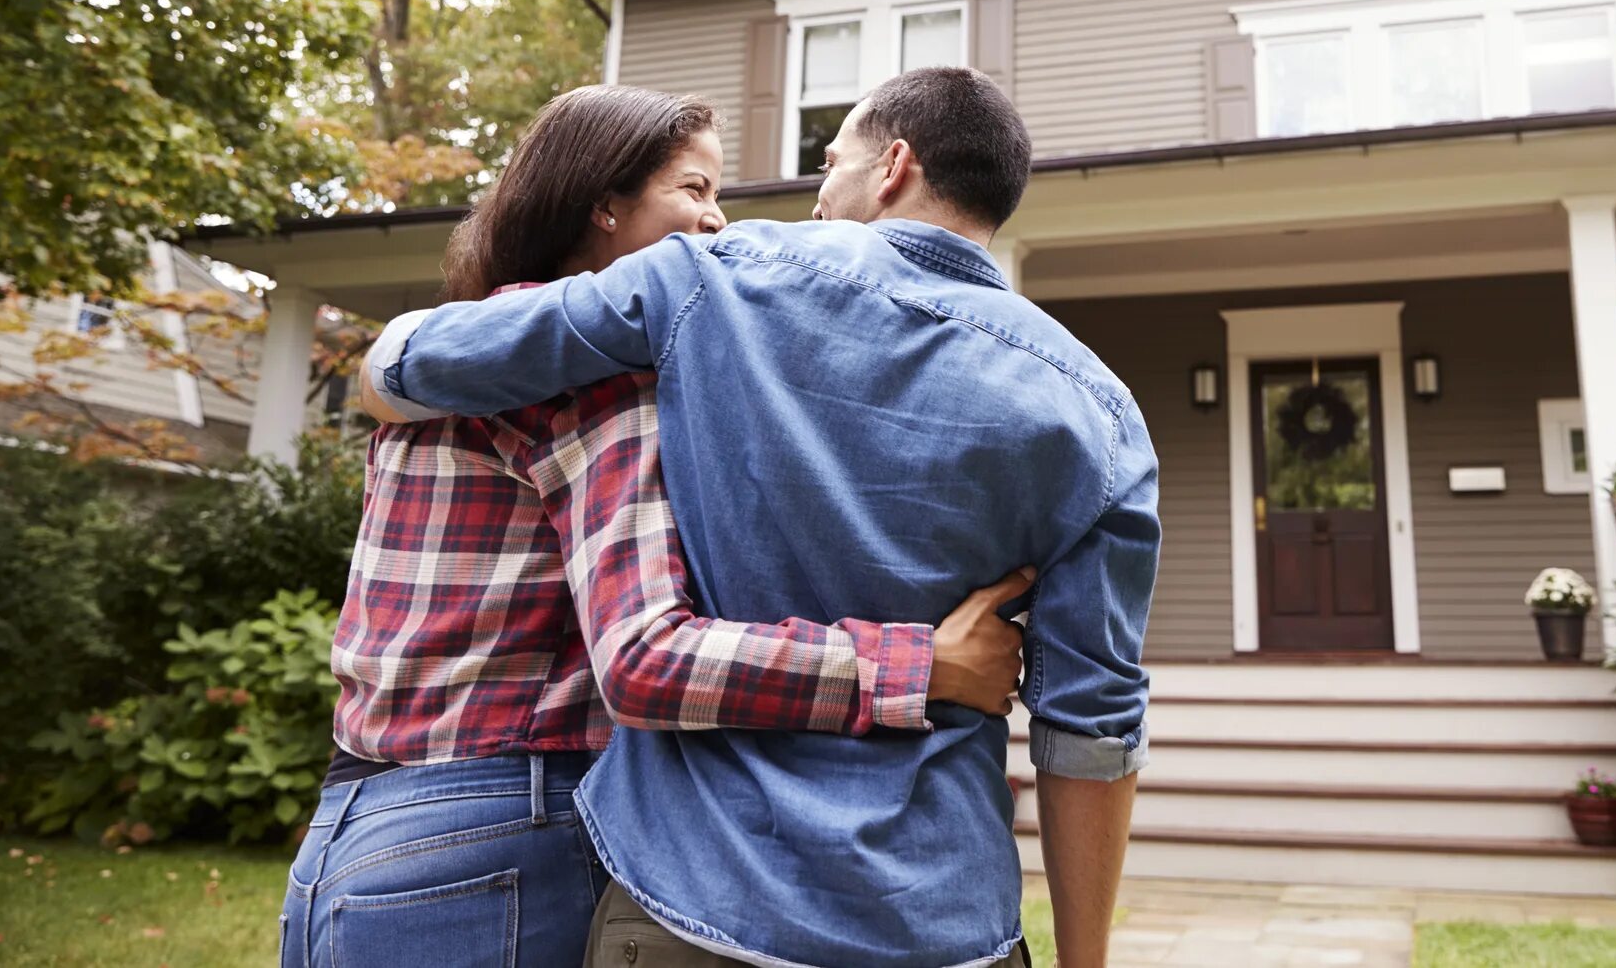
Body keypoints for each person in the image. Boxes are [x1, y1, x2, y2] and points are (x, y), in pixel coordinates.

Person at [362, 67, 1158, 968]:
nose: (817, 199)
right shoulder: (1102, 413)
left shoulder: (710, 280)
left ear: (891, 166)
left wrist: (382, 367)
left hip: (698, 903)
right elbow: (1091, 728)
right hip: (941, 917)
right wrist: (1083, 958)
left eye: (830, 164)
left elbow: (415, 362)